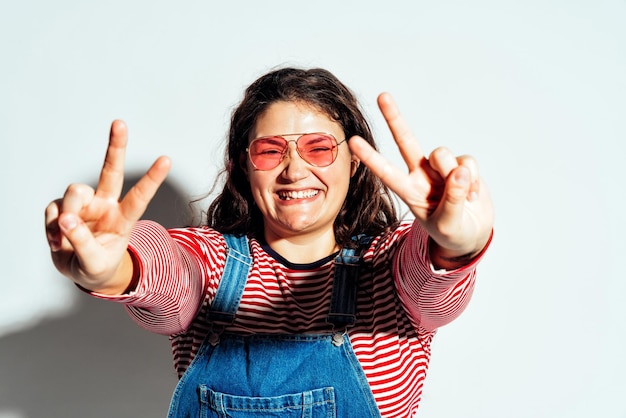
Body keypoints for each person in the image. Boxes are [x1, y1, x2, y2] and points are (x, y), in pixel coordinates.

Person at [45, 67, 494, 417]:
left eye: (319, 148)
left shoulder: (389, 266)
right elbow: (169, 273)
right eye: (270, 150)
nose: (295, 170)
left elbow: (433, 290)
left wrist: (454, 246)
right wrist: (113, 267)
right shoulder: (214, 263)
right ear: (244, 166)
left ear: (355, 164)